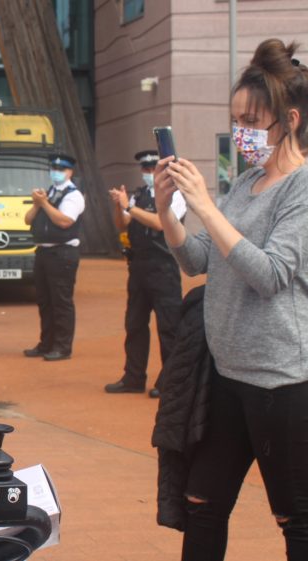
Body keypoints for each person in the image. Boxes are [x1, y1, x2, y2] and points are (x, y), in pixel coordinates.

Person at [155, 39, 308, 561]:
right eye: (236, 118)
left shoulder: (302, 188)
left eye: (251, 120)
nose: (241, 132)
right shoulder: (245, 182)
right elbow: (199, 259)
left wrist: (205, 205)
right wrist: (170, 213)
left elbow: (270, 274)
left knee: (294, 518)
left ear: (288, 119)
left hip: (281, 383)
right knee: (202, 502)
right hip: (226, 374)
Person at [104, 150, 186, 397]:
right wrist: (120, 207)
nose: (150, 173)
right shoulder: (138, 195)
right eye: (146, 169)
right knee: (135, 325)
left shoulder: (176, 195)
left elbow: (161, 223)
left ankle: (169, 382)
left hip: (164, 268)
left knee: (169, 327)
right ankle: (133, 377)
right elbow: (123, 224)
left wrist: (128, 205)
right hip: (138, 267)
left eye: (154, 169)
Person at [22, 155, 84, 361]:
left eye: (61, 168)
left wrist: (44, 204)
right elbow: (27, 219)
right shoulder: (48, 193)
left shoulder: (73, 195)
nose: (56, 171)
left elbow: (65, 221)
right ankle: (46, 343)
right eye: (54, 167)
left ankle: (62, 346)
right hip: (43, 252)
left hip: (62, 253)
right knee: (44, 300)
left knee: (61, 300)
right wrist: (37, 204)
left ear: (70, 172)